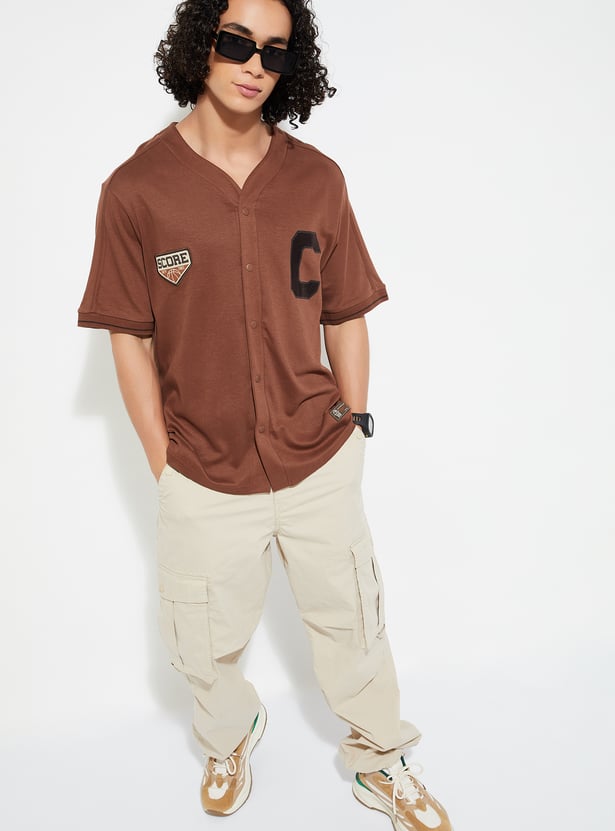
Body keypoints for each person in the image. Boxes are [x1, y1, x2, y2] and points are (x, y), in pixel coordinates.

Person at [77, 1, 453, 829]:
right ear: (199, 45)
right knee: (200, 636)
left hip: (317, 454)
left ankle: (379, 758)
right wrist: (162, 460)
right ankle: (228, 736)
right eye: (236, 42)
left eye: (275, 52)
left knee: (354, 623)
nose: (254, 64)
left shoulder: (317, 179)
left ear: (293, 67)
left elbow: (345, 312)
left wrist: (355, 423)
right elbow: (128, 337)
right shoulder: (136, 189)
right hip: (202, 466)